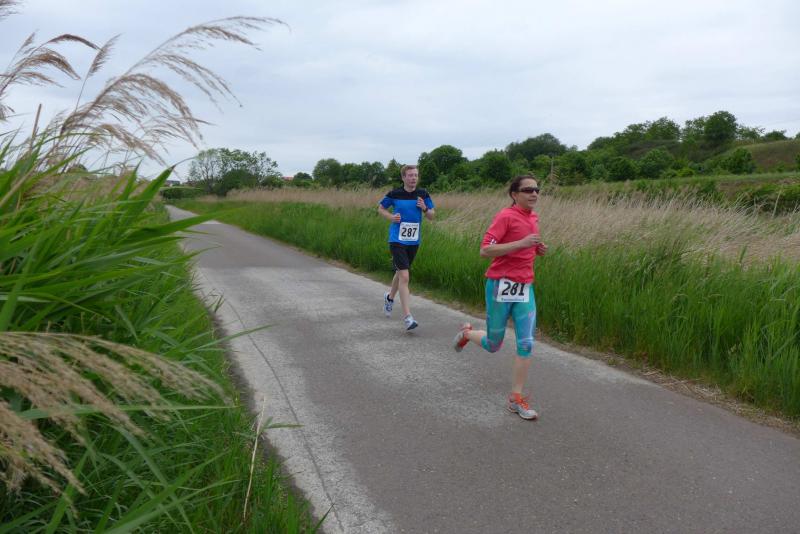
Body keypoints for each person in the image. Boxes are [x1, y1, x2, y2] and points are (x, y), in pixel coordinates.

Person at [452, 175, 547, 420]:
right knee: (494, 344)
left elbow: (525, 246)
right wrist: (522, 243)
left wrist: (536, 248)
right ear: (514, 194)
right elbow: (485, 250)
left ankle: (516, 398)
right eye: (528, 190)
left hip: (525, 287)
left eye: (536, 189)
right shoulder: (505, 216)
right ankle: (467, 334)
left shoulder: (533, 217)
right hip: (500, 285)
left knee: (526, 343)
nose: (534, 193)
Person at [377, 165, 435, 330]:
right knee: (404, 276)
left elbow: (432, 216)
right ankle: (408, 317)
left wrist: (425, 208)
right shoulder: (394, 194)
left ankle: (389, 298)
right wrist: (391, 217)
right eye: (410, 175)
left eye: (416, 175)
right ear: (403, 177)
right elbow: (380, 208)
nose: (413, 178)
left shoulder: (423, 194)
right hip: (397, 240)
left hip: (413, 241)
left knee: (400, 272)